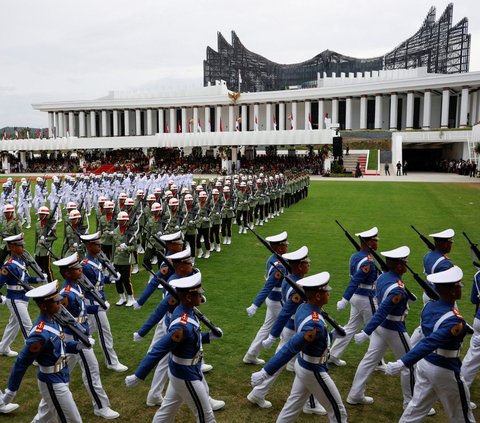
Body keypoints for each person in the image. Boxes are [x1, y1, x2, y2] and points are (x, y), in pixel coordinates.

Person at [125, 272, 223, 423]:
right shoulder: (181, 324)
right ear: (188, 297)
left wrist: (208, 336)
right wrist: (138, 375)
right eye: (198, 294)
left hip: (183, 370)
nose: (201, 296)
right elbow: (159, 349)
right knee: (206, 417)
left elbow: (191, 338)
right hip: (186, 374)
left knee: (166, 413)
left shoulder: (187, 311)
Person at [251, 272, 348, 423]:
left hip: (304, 364)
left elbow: (316, 341)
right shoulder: (313, 323)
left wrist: (332, 335)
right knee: (338, 411)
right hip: (313, 369)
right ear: (317, 296)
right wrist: (265, 372)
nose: (329, 293)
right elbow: (290, 348)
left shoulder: (304, 308)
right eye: (326, 291)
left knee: (292, 407)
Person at [386, 266, 476, 422]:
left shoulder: (429, 307)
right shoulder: (455, 320)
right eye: (458, 287)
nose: (461, 289)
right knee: (462, 414)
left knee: (415, 409)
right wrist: (402, 363)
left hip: (425, 364)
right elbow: (430, 342)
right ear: (452, 291)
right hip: (445, 368)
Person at [1, 281, 84, 420]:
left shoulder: (54, 320)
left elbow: (60, 346)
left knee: (43, 418)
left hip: (61, 375)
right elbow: (21, 362)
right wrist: (11, 390)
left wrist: (77, 346)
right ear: (44, 306)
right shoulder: (39, 334)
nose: (60, 304)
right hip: (52, 381)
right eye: (56, 302)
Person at [347, 246, 415, 408]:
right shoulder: (396, 289)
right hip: (394, 327)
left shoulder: (384, 277)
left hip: (381, 328)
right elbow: (383, 311)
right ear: (399, 266)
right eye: (405, 262)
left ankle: (355, 394)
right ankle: (411, 402)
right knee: (410, 364)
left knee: (369, 360)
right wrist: (365, 332)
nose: (407, 265)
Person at [55, 253, 120, 419]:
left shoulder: (77, 286)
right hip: (76, 339)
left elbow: (82, 311)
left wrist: (98, 308)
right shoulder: (66, 295)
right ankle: (100, 406)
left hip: (80, 336)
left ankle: (50, 399)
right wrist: (80, 336)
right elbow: (63, 320)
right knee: (92, 371)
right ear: (68, 273)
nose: (80, 269)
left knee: (60, 374)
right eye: (76, 269)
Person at [329, 227, 381, 368]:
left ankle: (333, 354)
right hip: (366, 297)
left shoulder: (355, 256)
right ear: (369, 242)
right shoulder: (368, 261)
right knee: (376, 329)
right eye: (375, 240)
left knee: (351, 327)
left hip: (356, 297)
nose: (377, 243)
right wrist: (344, 299)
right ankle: (377, 362)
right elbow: (356, 280)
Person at [80, 232, 127, 373]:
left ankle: (74, 347)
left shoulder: (97, 259)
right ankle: (111, 361)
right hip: (94, 301)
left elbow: (99, 280)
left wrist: (111, 279)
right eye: (97, 244)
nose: (100, 246)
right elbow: (84, 286)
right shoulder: (85, 265)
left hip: (100, 297)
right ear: (89, 246)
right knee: (105, 331)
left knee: (88, 329)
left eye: (100, 243)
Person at [243, 231, 289, 366]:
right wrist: (255, 305)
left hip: (273, 300)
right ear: (280, 248)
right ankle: (283, 361)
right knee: (288, 330)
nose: (287, 246)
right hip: (278, 301)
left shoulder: (273, 259)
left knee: (266, 328)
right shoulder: (278, 266)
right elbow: (268, 286)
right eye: (285, 245)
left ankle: (251, 355)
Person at [0, 233, 43, 357]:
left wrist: (38, 279)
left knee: (14, 324)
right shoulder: (9, 266)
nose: (23, 248)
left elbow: (25, 278)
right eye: (20, 246)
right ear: (12, 247)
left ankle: (3, 348)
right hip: (15, 299)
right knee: (27, 326)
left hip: (23, 297)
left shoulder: (21, 260)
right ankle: (34, 356)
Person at [34, 206, 57, 282]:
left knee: (47, 269)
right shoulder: (37, 224)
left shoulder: (51, 224)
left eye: (41, 214)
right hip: (38, 250)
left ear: (45, 215)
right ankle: (44, 282)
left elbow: (55, 237)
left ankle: (51, 282)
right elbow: (36, 238)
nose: (39, 215)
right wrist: (35, 250)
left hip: (46, 250)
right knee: (39, 268)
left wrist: (46, 239)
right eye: (39, 214)